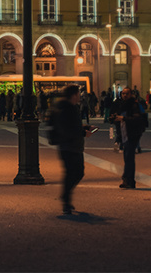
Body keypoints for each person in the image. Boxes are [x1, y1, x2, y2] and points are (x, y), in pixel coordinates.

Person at [49, 84, 96, 214]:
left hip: (74, 145)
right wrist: (83, 133)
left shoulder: (71, 107)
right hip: (67, 145)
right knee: (72, 173)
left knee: (77, 173)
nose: (80, 97)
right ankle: (66, 200)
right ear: (73, 95)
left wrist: (85, 127)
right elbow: (66, 129)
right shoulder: (64, 109)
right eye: (78, 94)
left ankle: (66, 198)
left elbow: (73, 125)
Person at [115, 87, 144, 189]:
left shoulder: (134, 105)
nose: (125, 95)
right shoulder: (121, 105)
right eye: (123, 93)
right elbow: (119, 121)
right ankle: (131, 181)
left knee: (128, 158)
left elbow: (137, 119)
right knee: (128, 159)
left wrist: (124, 118)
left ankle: (126, 179)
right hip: (124, 135)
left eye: (127, 93)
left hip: (132, 135)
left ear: (131, 94)